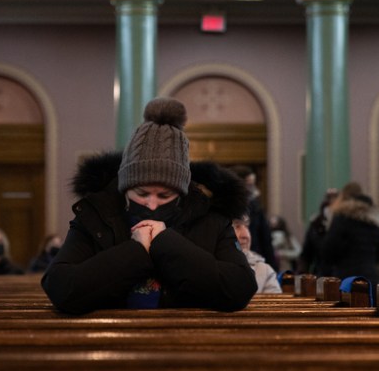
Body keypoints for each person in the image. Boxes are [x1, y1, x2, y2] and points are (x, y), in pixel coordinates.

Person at [42, 97, 257, 314]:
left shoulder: (210, 217)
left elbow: (239, 288)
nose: (152, 205)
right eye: (142, 193)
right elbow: (61, 288)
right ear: (125, 188)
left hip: (189, 340)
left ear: (181, 193)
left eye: (164, 195)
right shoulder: (97, 215)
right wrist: (136, 252)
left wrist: (166, 244)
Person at [320, 182, 379, 285]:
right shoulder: (374, 221)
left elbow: (328, 251)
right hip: (370, 277)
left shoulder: (341, 218)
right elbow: (378, 255)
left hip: (346, 279)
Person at [230, 164, 277, 269]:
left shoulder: (256, 207)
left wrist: (272, 267)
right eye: (249, 185)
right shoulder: (226, 209)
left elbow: (265, 240)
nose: (254, 189)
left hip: (255, 258)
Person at [234, 215, 282, 295]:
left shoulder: (264, 271)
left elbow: (276, 305)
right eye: (237, 226)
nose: (246, 235)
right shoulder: (210, 269)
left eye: (246, 226)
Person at [297, 188, 338, 276]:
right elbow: (306, 254)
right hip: (321, 272)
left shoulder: (344, 223)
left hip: (340, 275)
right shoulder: (316, 224)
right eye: (329, 198)